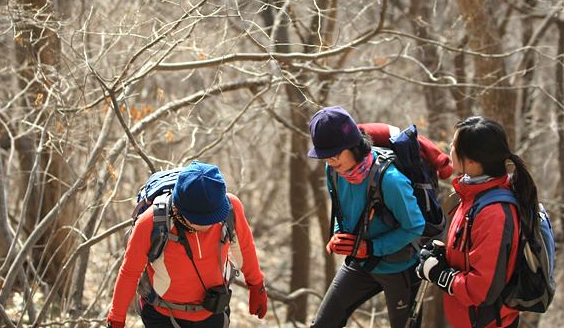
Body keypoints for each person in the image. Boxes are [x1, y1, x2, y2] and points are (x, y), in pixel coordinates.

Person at [106, 161, 268, 328]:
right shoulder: (151, 222)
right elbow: (130, 273)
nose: (210, 226)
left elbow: (244, 247)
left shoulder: (231, 208)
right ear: (181, 211)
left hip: (213, 311)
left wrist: (257, 286)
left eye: (215, 217)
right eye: (202, 221)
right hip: (162, 315)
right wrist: (116, 318)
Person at [307, 106, 426, 328]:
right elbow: (341, 210)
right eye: (325, 157)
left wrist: (370, 248)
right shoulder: (333, 171)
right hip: (360, 263)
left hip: (398, 267)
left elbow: (415, 226)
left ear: (353, 145)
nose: (331, 162)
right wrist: (338, 235)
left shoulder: (390, 180)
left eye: (335, 155)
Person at [416, 116, 538, 328]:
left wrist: (440, 275)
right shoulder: (476, 193)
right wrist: (442, 258)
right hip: (471, 320)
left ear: (473, 161)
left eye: (454, 145)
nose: (450, 148)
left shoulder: (494, 213)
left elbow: (482, 290)